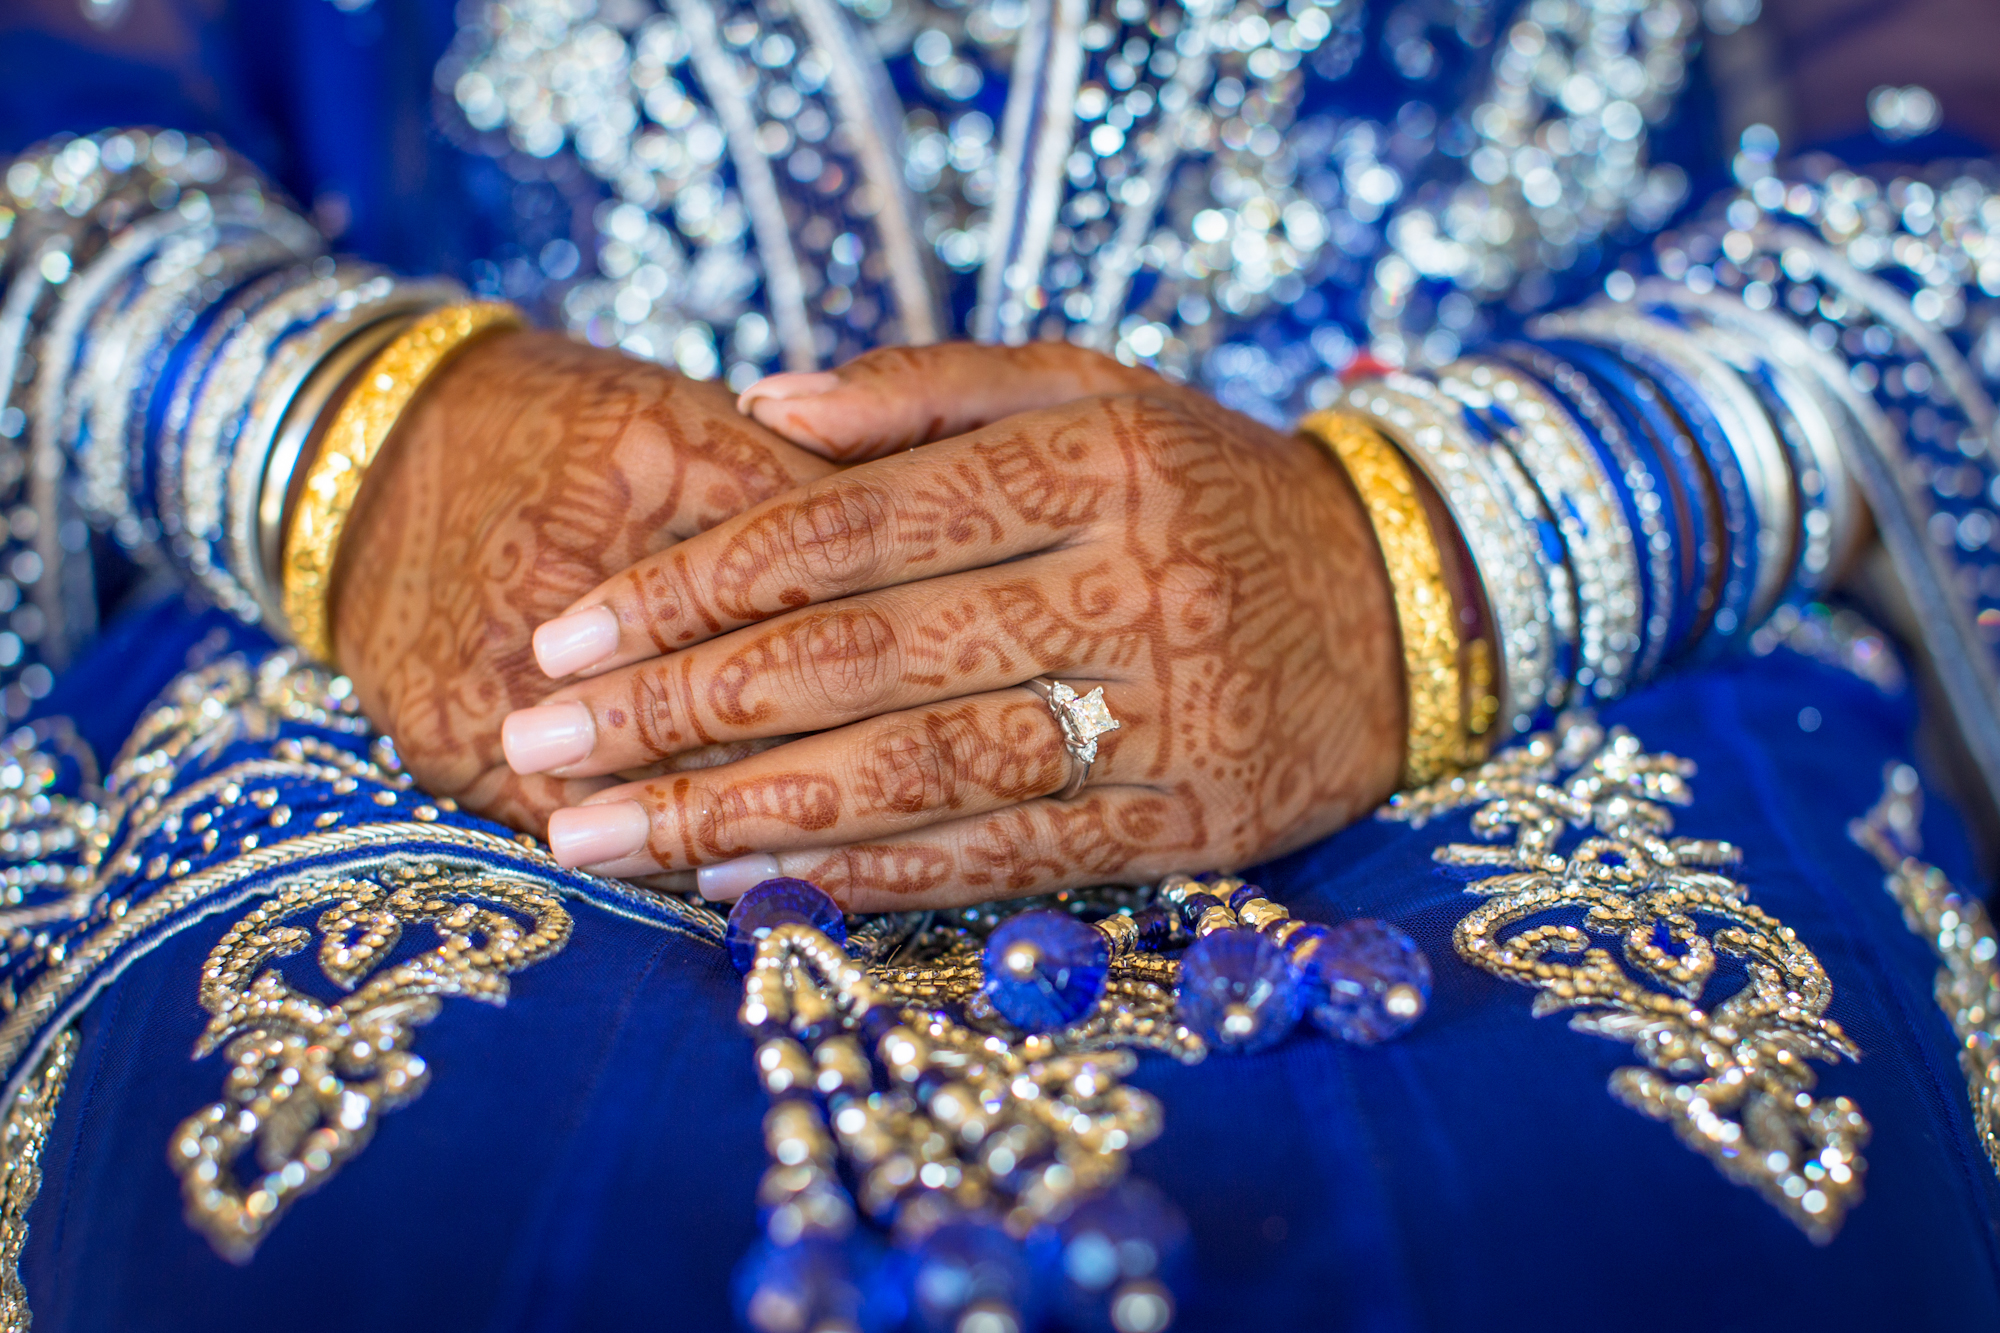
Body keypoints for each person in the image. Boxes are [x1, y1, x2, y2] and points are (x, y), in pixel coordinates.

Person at [0, 0, 1996, 1329]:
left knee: (1672, 1227)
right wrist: (320, 427)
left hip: (1522, 575)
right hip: (474, 585)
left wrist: (1466, 542)